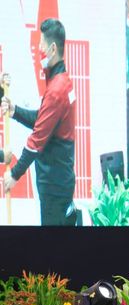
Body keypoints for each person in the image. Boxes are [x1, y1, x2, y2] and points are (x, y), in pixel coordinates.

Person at [1, 19, 76, 225]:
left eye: (41, 45)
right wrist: (15, 110)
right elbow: (43, 119)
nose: (39, 50)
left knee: (55, 250)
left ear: (53, 48)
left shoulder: (57, 90)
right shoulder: (61, 82)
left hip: (55, 187)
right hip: (58, 184)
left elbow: (36, 141)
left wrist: (14, 175)